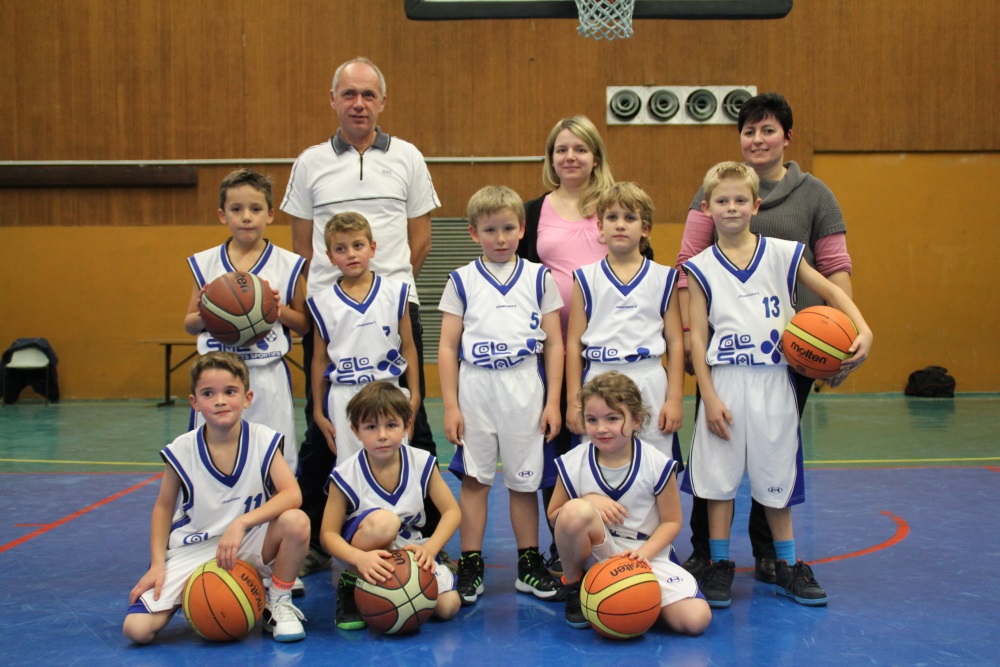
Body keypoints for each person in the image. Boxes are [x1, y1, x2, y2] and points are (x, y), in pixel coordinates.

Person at [674, 92, 855, 584]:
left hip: (795, 351)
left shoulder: (815, 195)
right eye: (749, 131)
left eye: (768, 130)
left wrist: (846, 338)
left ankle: (775, 555)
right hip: (725, 356)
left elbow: (835, 268)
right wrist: (689, 337)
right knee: (717, 458)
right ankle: (710, 555)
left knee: (774, 458)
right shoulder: (713, 190)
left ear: (786, 137)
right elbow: (687, 265)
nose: (758, 139)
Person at [281, 56, 441, 577]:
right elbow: (301, 245)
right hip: (331, 313)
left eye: (368, 95)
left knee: (410, 422)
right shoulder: (309, 163)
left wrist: (384, 291)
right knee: (323, 429)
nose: (358, 104)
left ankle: (428, 535)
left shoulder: (408, 157)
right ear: (333, 100)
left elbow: (420, 239)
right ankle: (315, 538)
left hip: (393, 305)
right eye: (349, 94)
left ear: (382, 102)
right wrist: (337, 293)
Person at [123, 352, 310, 644]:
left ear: (247, 398)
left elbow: (292, 494)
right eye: (208, 393)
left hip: (246, 541)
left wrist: (241, 524)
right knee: (137, 630)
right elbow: (163, 507)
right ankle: (195, 594)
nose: (220, 400)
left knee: (296, 521)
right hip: (194, 547)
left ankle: (278, 602)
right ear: (195, 402)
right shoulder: (182, 449)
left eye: (230, 392)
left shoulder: (263, 439)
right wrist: (158, 563)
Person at [520, 115, 638, 576]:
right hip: (550, 349)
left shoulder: (615, 207)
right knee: (557, 443)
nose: (570, 157)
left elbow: (637, 269)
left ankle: (621, 538)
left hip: (605, 348)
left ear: (595, 156)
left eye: (580, 149)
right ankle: (564, 542)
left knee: (606, 441)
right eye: (561, 149)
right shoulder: (533, 212)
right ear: (551, 158)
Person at [438, 185, 565, 606]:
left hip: (524, 384)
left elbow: (555, 343)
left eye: (508, 228)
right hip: (476, 385)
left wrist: (552, 401)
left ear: (522, 229)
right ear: (473, 233)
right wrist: (451, 405)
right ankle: (470, 562)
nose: (500, 238)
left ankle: (528, 563)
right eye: (490, 230)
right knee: (475, 479)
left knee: (523, 481)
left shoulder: (539, 277)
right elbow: (447, 347)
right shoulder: (461, 280)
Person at [548, 371, 711, 634]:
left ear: (636, 420)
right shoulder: (573, 461)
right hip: (596, 552)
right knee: (575, 510)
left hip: (643, 553)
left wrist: (643, 555)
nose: (601, 428)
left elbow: (671, 522)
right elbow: (556, 515)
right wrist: (588, 500)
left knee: (695, 619)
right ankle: (575, 586)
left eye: (612, 418)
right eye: (592, 419)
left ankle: (635, 602)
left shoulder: (656, 463)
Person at [183, 168, 310, 474]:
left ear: (270, 214)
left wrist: (277, 310)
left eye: (255, 209)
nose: (246, 217)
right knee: (214, 458)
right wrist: (206, 313)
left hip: (266, 374)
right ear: (222, 215)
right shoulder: (206, 262)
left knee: (274, 459)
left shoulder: (288, 263)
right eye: (236, 209)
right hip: (217, 375)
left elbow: (304, 325)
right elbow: (188, 324)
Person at [319, 381, 461, 630]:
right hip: (367, 554)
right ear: (355, 431)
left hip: (410, 554)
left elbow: (452, 512)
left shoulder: (421, 462)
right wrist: (358, 559)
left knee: (448, 606)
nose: (382, 435)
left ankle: (394, 589)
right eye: (371, 427)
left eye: (391, 425)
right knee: (386, 522)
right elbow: (327, 535)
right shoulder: (345, 475)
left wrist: (430, 548)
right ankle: (353, 582)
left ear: (407, 425)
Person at [565, 182, 684, 460]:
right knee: (598, 464)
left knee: (654, 464)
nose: (620, 224)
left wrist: (675, 398)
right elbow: (573, 343)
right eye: (612, 217)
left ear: (645, 228)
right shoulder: (585, 278)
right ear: (600, 227)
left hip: (649, 378)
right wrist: (573, 401)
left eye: (629, 217)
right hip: (599, 378)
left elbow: (676, 341)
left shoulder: (663, 277)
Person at [306, 212, 421, 464]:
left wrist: (415, 396)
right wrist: (318, 410)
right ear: (330, 257)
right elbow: (319, 359)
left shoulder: (396, 292)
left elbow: (409, 348)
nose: (351, 254)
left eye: (357, 245)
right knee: (351, 469)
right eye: (340, 248)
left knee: (394, 466)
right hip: (344, 395)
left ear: (372, 248)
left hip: (389, 389)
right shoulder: (322, 302)